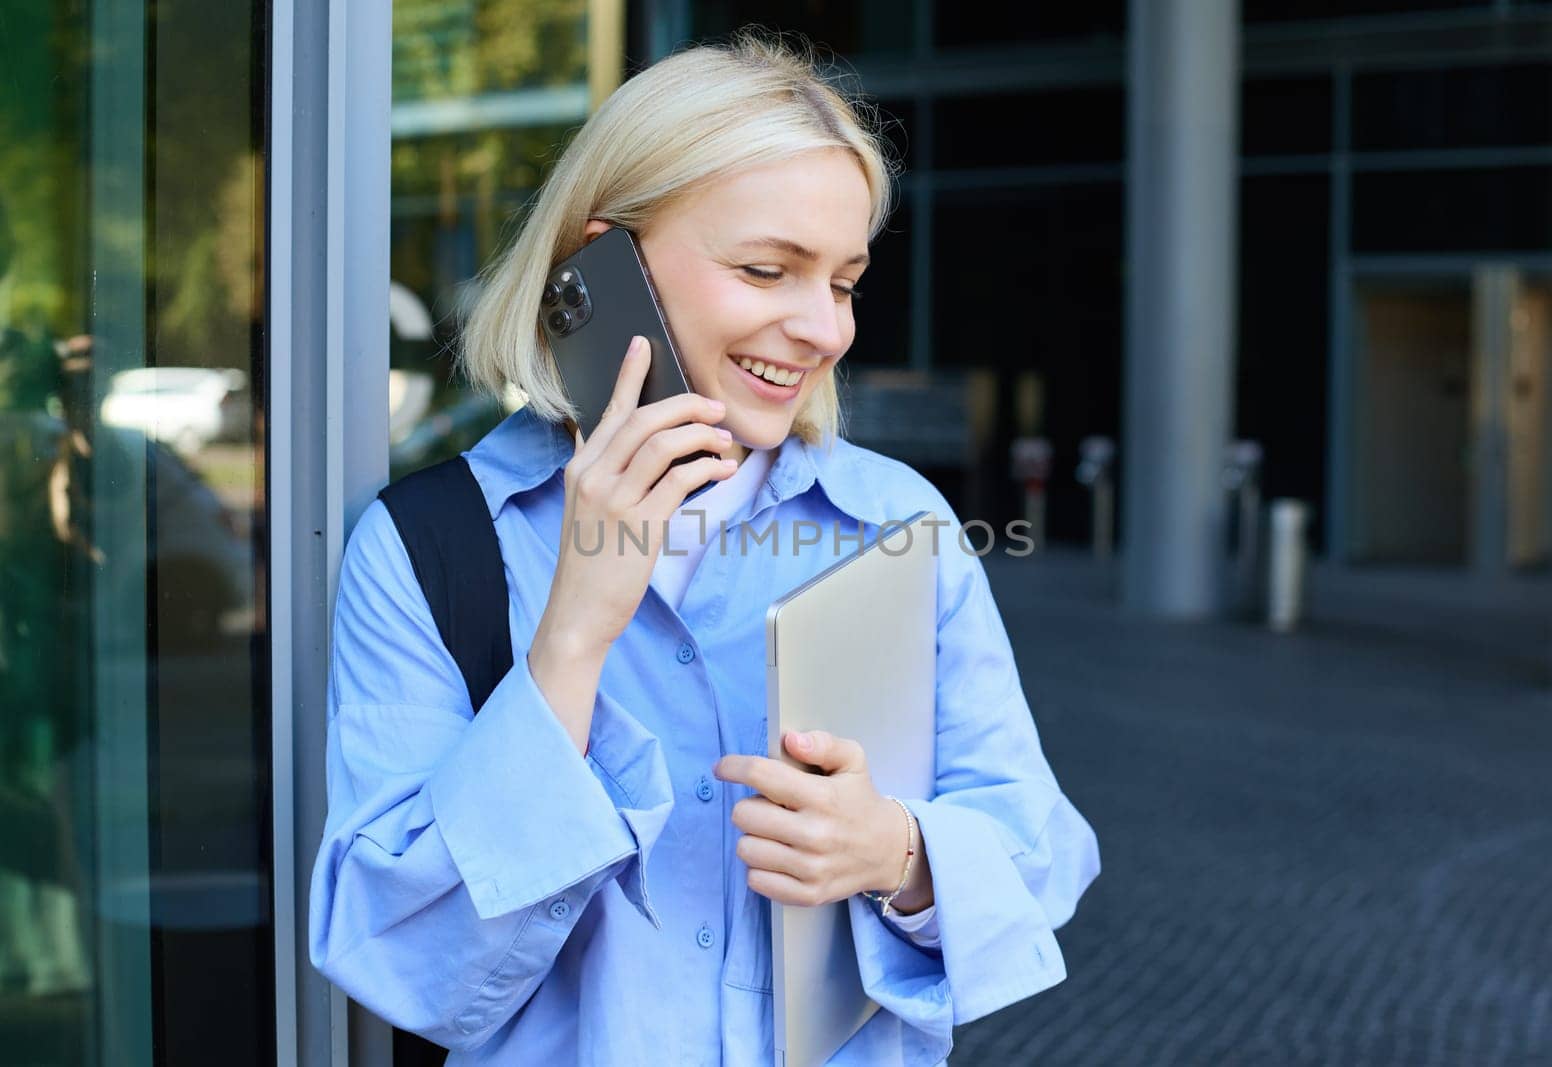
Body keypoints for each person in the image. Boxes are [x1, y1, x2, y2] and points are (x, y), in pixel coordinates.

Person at [308, 30, 1099, 1065]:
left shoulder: (899, 525)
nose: (821, 327)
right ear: (600, 261)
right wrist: (574, 636)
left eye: (845, 282)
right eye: (768, 268)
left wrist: (895, 851)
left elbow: (1040, 851)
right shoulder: (424, 546)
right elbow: (403, 957)